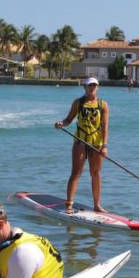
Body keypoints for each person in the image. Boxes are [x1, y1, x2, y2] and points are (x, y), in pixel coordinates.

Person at [54, 76, 109, 214]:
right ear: (85, 87)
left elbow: (105, 127)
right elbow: (68, 119)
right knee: (76, 172)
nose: (92, 88)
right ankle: (69, 205)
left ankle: (97, 205)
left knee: (95, 173)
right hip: (80, 141)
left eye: (94, 85)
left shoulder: (103, 105)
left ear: (98, 87)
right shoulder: (78, 103)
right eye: (89, 85)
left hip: (97, 143)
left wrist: (105, 146)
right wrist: (61, 124)